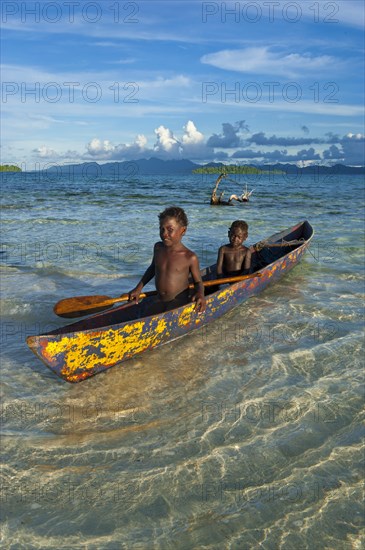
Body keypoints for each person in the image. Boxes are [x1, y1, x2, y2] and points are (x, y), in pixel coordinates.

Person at [128, 206, 206, 314]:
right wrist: (138, 288)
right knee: (145, 316)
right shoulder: (158, 248)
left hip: (179, 301)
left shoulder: (189, 257)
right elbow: (152, 269)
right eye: (162, 229)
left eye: (170, 230)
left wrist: (200, 295)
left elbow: (198, 282)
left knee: (165, 318)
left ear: (183, 230)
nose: (164, 234)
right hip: (160, 299)